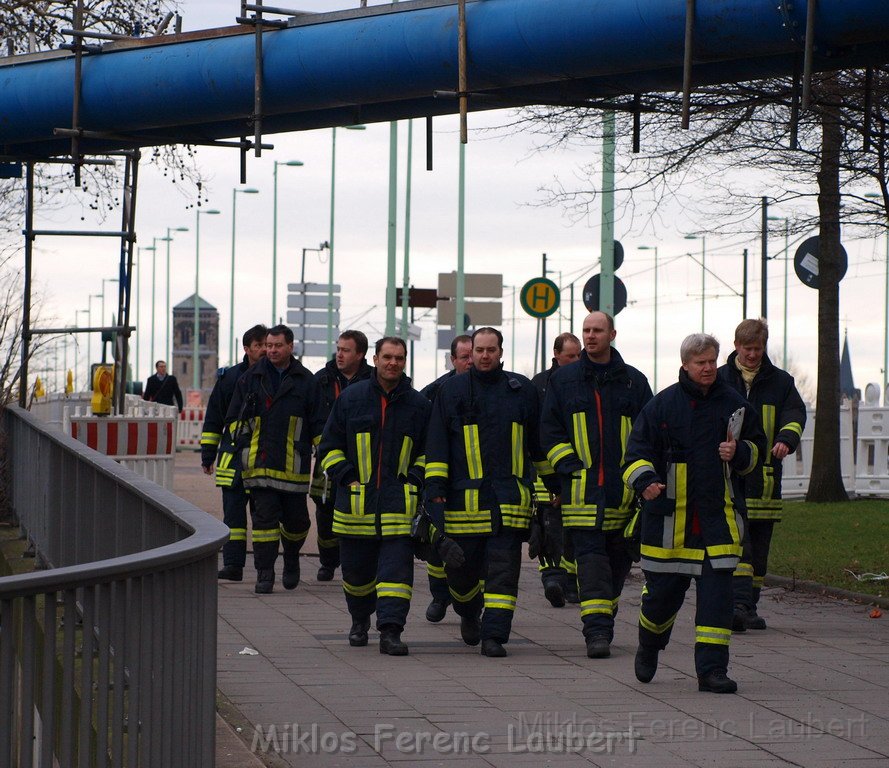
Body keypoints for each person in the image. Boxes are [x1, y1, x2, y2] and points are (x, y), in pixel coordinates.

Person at [622, 333, 764, 694]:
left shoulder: (734, 404)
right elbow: (635, 453)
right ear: (685, 364)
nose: (708, 368)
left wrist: (741, 453)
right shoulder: (661, 406)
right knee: (660, 601)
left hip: (718, 524)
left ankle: (712, 671)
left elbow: (757, 449)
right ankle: (650, 644)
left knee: (717, 602)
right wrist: (646, 481)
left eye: (712, 361)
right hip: (670, 525)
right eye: (700, 362)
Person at [425, 327, 559, 658]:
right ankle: (469, 613)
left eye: (490, 350)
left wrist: (553, 488)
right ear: (469, 354)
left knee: (503, 576)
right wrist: (435, 493)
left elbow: (537, 446)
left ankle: (495, 635)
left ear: (501, 352)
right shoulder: (450, 391)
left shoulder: (521, 390)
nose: (484, 356)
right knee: (461, 574)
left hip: (508, 505)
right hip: (462, 506)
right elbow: (438, 446)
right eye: (478, 351)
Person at [540, 313, 652, 657]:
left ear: (612, 334)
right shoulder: (565, 381)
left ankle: (605, 612)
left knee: (618, 566)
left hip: (623, 495)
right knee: (591, 565)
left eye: (597, 330)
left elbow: (649, 433)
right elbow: (549, 429)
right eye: (586, 330)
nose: (590, 336)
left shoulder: (634, 382)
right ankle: (597, 632)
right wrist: (568, 466)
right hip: (581, 494)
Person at [318, 337, 430, 655]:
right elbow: (328, 446)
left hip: (398, 508)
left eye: (399, 358)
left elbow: (427, 452)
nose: (393, 363)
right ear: (376, 359)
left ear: (405, 361)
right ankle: (359, 621)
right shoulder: (351, 399)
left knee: (396, 575)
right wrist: (347, 477)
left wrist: (414, 480)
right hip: (355, 508)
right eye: (387, 357)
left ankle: (391, 631)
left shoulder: (419, 405)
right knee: (356, 575)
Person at [718, 318, 806, 631]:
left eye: (757, 348)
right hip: (730, 477)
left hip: (765, 479)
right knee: (741, 544)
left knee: (760, 550)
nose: (753, 354)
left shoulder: (781, 382)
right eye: (747, 348)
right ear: (736, 346)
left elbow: (794, 415)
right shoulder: (719, 380)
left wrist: (786, 439)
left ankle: (749, 606)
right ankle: (738, 605)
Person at [225, 325, 325, 594]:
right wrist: (244, 446)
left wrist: (325, 459)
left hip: (293, 467)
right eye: (268, 346)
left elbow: (318, 424)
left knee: (297, 523)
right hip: (259, 465)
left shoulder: (307, 381)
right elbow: (234, 420)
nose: (271, 350)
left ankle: (291, 555)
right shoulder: (250, 379)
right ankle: (264, 573)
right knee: (264, 523)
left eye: (277, 346)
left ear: (290, 347)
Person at [200, 325, 268, 581]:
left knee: (263, 519)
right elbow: (214, 418)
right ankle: (233, 565)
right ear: (247, 348)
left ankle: (264, 568)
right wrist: (208, 454)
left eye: (266, 344)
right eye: (258, 345)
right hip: (233, 460)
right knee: (234, 518)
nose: (263, 349)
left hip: (263, 459)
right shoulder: (229, 379)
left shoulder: (275, 378)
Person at [310, 330, 373, 582]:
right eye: (338, 349)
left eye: (346, 350)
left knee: (357, 511)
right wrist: (324, 444)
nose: (340, 354)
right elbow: (312, 417)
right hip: (327, 460)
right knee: (324, 513)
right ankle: (327, 561)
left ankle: (356, 562)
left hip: (361, 459)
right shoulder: (321, 380)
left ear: (360, 354)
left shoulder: (372, 381)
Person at [419, 333, 472, 623]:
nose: (470, 361)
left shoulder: (493, 389)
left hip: (474, 482)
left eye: (472, 355)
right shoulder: (434, 392)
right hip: (441, 479)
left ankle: (470, 604)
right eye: (464, 357)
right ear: (453, 360)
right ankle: (440, 595)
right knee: (438, 538)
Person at [531, 331, 583, 608]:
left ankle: (571, 583)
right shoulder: (539, 385)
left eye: (578, 355)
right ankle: (552, 579)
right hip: (545, 476)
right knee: (549, 531)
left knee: (575, 530)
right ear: (556, 355)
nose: (576, 360)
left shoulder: (584, 381)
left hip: (576, 474)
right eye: (570, 356)